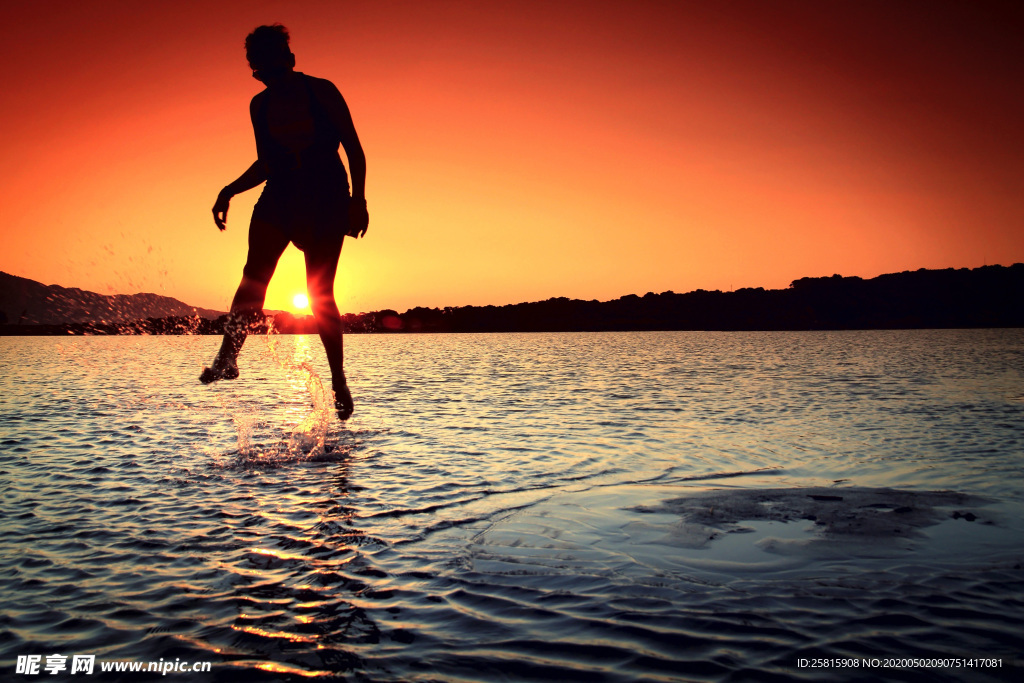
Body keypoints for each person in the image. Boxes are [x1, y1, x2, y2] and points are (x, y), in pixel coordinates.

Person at [201, 24, 368, 422]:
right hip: (280, 193)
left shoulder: (321, 90)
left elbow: (355, 150)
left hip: (325, 193)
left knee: (320, 293)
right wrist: (229, 190)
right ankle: (228, 357)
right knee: (252, 275)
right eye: (259, 70)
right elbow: (266, 162)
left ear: (289, 60)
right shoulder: (259, 106)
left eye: (273, 65)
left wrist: (358, 203)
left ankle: (339, 380)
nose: (267, 76)